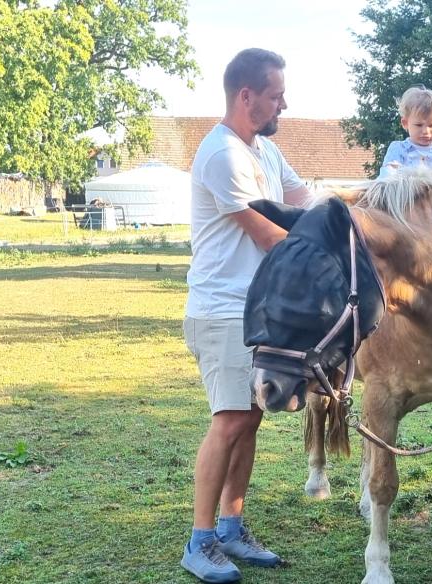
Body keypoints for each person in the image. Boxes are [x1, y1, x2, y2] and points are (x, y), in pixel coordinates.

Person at [181, 47, 313, 584]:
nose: (285, 102)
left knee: (251, 418)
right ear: (247, 96)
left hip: (256, 309)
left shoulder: (261, 150)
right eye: (277, 95)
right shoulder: (223, 155)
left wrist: (347, 214)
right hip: (222, 309)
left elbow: (302, 197)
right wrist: (330, 250)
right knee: (230, 420)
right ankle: (200, 540)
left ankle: (233, 528)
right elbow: (271, 235)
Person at [378, 86, 432, 193]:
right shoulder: (399, 149)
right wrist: (385, 185)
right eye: (419, 125)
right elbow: (388, 172)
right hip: (407, 199)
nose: (426, 131)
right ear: (405, 123)